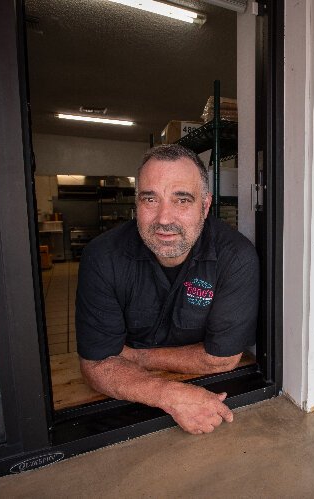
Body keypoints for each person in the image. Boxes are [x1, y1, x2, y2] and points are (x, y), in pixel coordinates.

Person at [75, 144, 259, 435]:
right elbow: (96, 364)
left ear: (206, 205)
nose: (163, 218)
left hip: (204, 387)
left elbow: (222, 359)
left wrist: (136, 356)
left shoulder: (234, 257)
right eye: (150, 199)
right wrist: (171, 396)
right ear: (137, 203)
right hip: (127, 407)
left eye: (182, 199)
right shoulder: (102, 257)